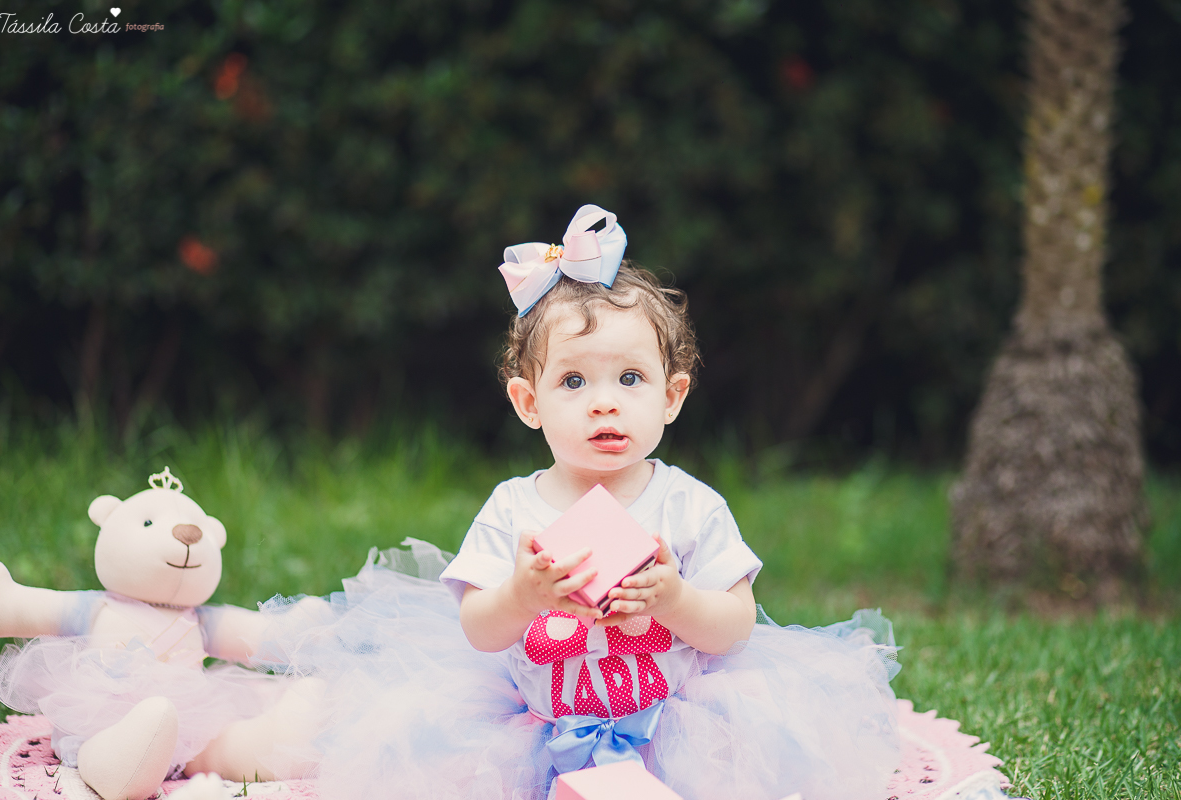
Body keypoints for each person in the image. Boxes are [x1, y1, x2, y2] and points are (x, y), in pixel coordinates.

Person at [264, 205, 901, 800]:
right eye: (573, 380)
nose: (605, 402)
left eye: (631, 379)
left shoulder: (689, 506)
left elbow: (735, 627)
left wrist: (675, 599)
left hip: (673, 724)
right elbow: (480, 631)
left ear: (672, 397)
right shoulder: (514, 507)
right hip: (535, 721)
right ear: (528, 403)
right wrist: (522, 596)